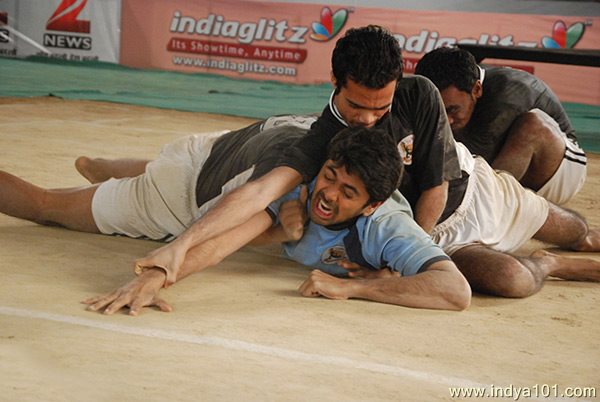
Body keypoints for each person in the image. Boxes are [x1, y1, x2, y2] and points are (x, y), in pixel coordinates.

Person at [0, 125, 472, 313]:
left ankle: (108, 169)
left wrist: (354, 288)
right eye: (329, 177)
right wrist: (157, 274)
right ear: (322, 165)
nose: (328, 195)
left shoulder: (385, 226)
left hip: (243, 148)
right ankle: (112, 173)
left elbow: (454, 290)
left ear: (372, 205)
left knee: (158, 174)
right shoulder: (295, 185)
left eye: (348, 193)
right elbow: (223, 235)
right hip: (200, 180)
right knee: (48, 207)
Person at [131, 25, 467, 280]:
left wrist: (405, 258)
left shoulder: (419, 94)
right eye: (356, 105)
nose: (367, 120)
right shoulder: (322, 139)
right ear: (334, 79)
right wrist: (180, 246)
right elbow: (260, 192)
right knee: (142, 175)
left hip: (450, 203)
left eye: (381, 108)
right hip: (219, 159)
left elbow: (436, 187)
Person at [414, 46, 587, 205]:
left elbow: (470, 167)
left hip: (562, 170)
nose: (448, 119)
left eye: (452, 110)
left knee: (532, 126)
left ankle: (486, 209)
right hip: (511, 174)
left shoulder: (508, 96)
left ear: (476, 89)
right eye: (439, 110)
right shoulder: (434, 91)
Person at [427, 141, 600, 298]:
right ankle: (550, 263)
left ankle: (585, 239)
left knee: (577, 229)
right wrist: (421, 245)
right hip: (439, 235)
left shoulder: (426, 119)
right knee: (516, 279)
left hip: (481, 189)